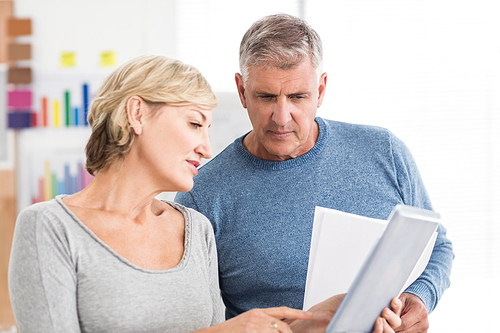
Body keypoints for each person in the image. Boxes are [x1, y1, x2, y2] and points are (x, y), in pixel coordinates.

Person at [175, 13, 454, 333]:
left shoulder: (384, 152)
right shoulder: (202, 195)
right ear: (241, 91)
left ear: (320, 91)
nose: (281, 117)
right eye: (266, 97)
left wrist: (418, 298)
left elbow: (437, 247)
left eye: (297, 97)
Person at [9, 55, 327, 333]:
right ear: (137, 114)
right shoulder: (49, 228)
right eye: (193, 123)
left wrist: (315, 323)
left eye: (207, 130)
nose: (206, 149)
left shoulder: (195, 229)